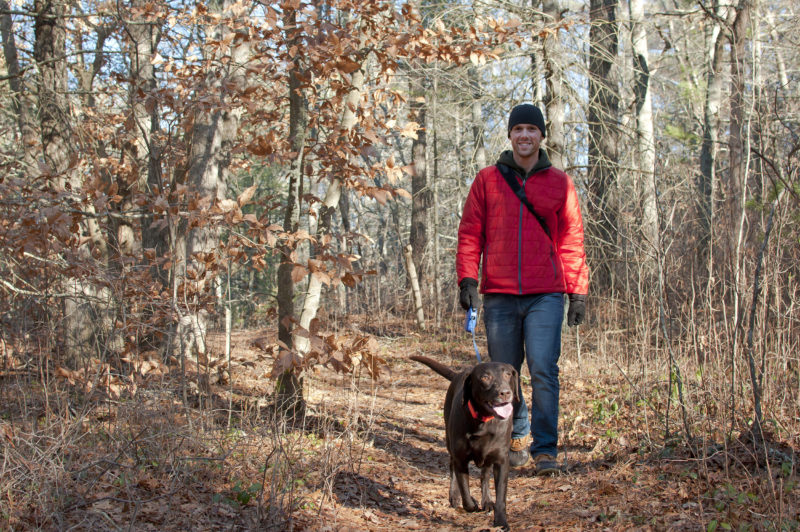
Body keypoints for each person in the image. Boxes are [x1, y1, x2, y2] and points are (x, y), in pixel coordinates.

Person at [456, 103, 589, 475]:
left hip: (546, 292)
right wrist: (468, 278)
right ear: (510, 136)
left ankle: (545, 448)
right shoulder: (487, 180)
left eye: (532, 129)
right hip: (498, 295)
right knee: (504, 375)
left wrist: (577, 292)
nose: (525, 136)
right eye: (519, 130)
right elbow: (470, 234)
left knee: (545, 369)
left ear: (541, 136)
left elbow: (572, 242)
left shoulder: (560, 183)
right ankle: (516, 436)